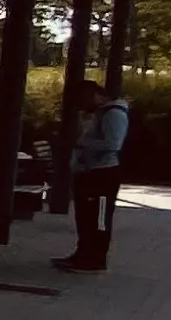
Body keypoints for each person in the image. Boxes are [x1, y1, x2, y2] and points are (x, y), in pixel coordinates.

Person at [54, 87, 131, 273]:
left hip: (102, 174)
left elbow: (113, 144)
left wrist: (82, 144)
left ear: (96, 95)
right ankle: (83, 253)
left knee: (98, 217)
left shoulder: (114, 114)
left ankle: (95, 259)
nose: (82, 105)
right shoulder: (100, 114)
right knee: (85, 216)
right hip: (90, 171)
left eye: (84, 100)